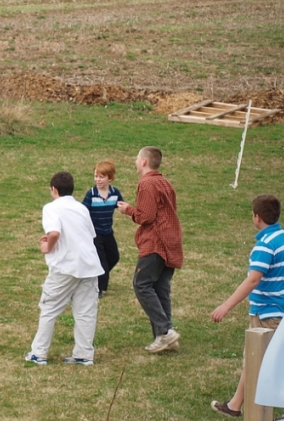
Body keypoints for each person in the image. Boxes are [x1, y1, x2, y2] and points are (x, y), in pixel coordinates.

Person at [210, 194, 284, 419]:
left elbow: (253, 279)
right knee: (254, 359)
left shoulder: (264, 246)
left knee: (273, 363)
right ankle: (235, 404)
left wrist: (226, 306)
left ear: (256, 217)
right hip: (283, 310)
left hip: (265, 314)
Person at [25, 172, 103, 366]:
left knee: (49, 307)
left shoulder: (52, 208)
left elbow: (55, 232)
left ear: (54, 190)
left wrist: (48, 246)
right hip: (89, 264)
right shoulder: (82, 208)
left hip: (66, 265)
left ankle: (38, 353)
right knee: (86, 312)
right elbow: (88, 234)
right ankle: (84, 354)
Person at [118, 146, 183, 353]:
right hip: (171, 241)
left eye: (137, 158)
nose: (135, 161)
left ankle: (164, 332)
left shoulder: (147, 183)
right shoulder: (165, 182)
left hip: (155, 242)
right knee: (160, 287)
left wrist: (128, 209)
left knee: (142, 284)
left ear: (144, 162)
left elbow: (146, 216)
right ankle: (166, 337)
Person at [82, 159, 124, 298]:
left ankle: (95, 276)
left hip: (108, 232)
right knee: (102, 262)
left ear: (110, 178)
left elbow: (121, 205)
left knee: (114, 257)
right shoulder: (91, 194)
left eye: (101, 177)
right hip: (95, 234)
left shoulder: (114, 193)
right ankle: (98, 288)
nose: (98, 180)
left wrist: (127, 209)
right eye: (96, 176)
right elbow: (83, 212)